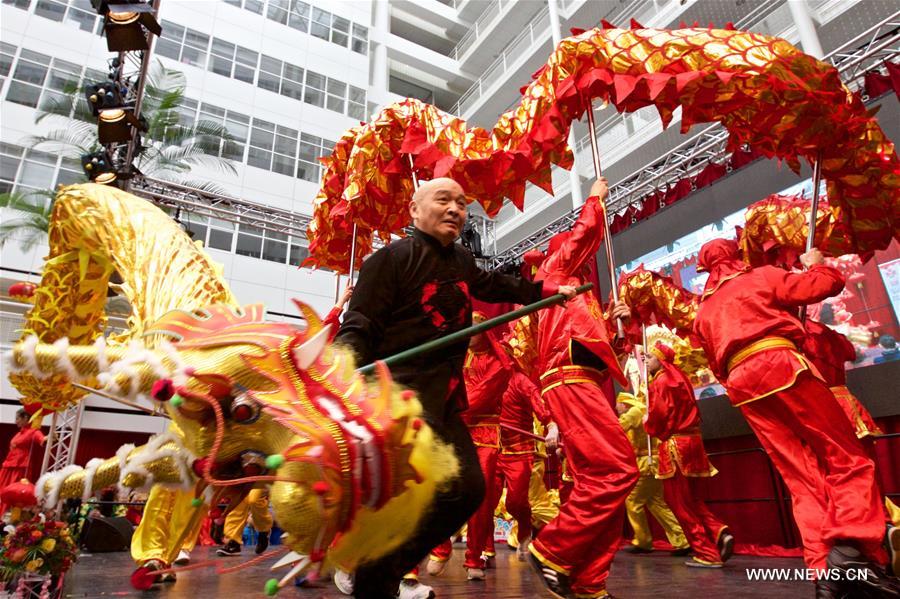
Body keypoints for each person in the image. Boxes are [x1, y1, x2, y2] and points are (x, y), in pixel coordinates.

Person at [335, 177, 575, 599]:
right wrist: (340, 372)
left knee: (468, 491)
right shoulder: (387, 261)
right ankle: (374, 569)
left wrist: (544, 289)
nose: (455, 210)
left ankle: (379, 572)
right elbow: (358, 328)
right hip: (399, 398)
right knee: (424, 487)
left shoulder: (462, 260)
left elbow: (495, 286)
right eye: (443, 200)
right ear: (414, 210)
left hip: (443, 400)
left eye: (462, 204)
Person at [692, 238, 899, 598]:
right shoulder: (760, 277)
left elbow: (713, 364)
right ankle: (850, 552)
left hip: (743, 387)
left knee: (800, 477)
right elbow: (823, 285)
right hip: (780, 366)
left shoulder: (703, 312)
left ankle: (823, 572)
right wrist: (817, 263)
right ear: (736, 256)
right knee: (847, 459)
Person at [526, 177, 639, 599]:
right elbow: (582, 238)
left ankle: (590, 581)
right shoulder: (554, 272)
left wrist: (618, 328)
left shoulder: (581, 299)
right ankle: (550, 549)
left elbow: (603, 354)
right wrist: (594, 198)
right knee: (618, 470)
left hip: (585, 382)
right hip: (568, 381)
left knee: (604, 481)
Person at [800, 318, 900, 573]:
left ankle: (870, 541)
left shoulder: (794, 332)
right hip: (849, 403)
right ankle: (886, 528)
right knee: (865, 474)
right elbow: (850, 352)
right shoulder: (828, 332)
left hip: (822, 407)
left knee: (831, 480)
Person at [642, 342, 733, 568]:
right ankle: (717, 530)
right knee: (692, 499)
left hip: (675, 445)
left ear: (661, 360)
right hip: (693, 441)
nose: (646, 360)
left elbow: (659, 417)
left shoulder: (660, 382)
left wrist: (649, 425)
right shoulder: (680, 378)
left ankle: (706, 553)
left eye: (650, 357)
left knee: (678, 503)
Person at [616, 391, 690, 556]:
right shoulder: (644, 410)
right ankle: (682, 540)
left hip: (646, 463)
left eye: (618, 405)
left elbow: (618, 428)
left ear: (624, 403)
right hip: (654, 461)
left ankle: (643, 541)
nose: (617, 408)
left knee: (632, 501)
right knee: (656, 503)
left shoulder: (634, 411)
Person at [0, 409, 45, 517]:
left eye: (17, 418)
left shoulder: (33, 431)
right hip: (8, 465)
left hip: (20, 467)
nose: (16, 421)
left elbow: (42, 439)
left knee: (13, 493)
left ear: (25, 418)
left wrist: (48, 438)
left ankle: (7, 518)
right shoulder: (19, 433)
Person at [216, 488, 273, 557]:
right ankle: (234, 542)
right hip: (244, 479)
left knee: (254, 499)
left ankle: (264, 531)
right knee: (238, 500)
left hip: (259, 480)